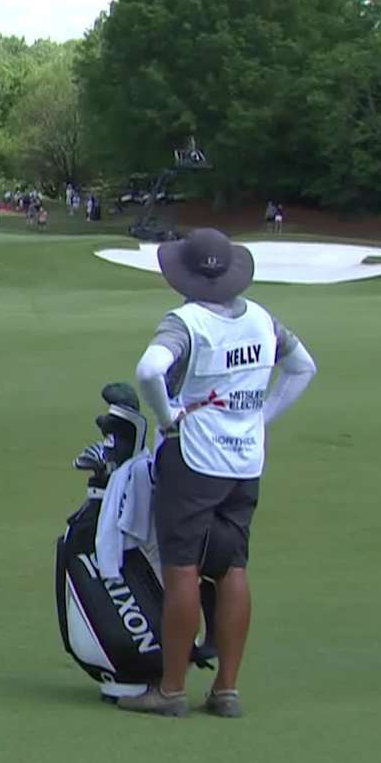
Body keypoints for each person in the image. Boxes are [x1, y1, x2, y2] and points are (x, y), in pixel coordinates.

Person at [117, 228, 317, 718]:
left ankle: (170, 690)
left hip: (194, 460)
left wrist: (167, 420)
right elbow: (303, 366)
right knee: (231, 565)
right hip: (245, 461)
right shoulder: (261, 320)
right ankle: (226, 689)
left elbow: (148, 371)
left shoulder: (186, 322)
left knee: (182, 567)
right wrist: (261, 417)